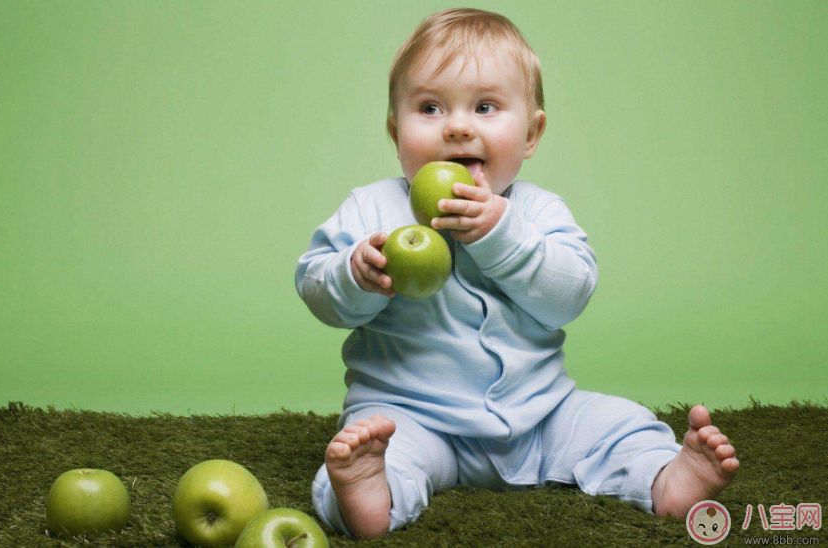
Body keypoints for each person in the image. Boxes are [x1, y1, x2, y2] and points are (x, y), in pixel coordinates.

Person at [295, 8, 739, 540]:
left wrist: (499, 233)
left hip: (542, 416)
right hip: (413, 417)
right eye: (429, 108)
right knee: (380, 451)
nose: (458, 125)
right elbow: (315, 287)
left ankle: (666, 475)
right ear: (396, 132)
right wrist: (355, 275)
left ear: (531, 133)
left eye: (485, 106)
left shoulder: (539, 213)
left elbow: (569, 294)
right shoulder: (371, 210)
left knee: (618, 423)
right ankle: (368, 495)